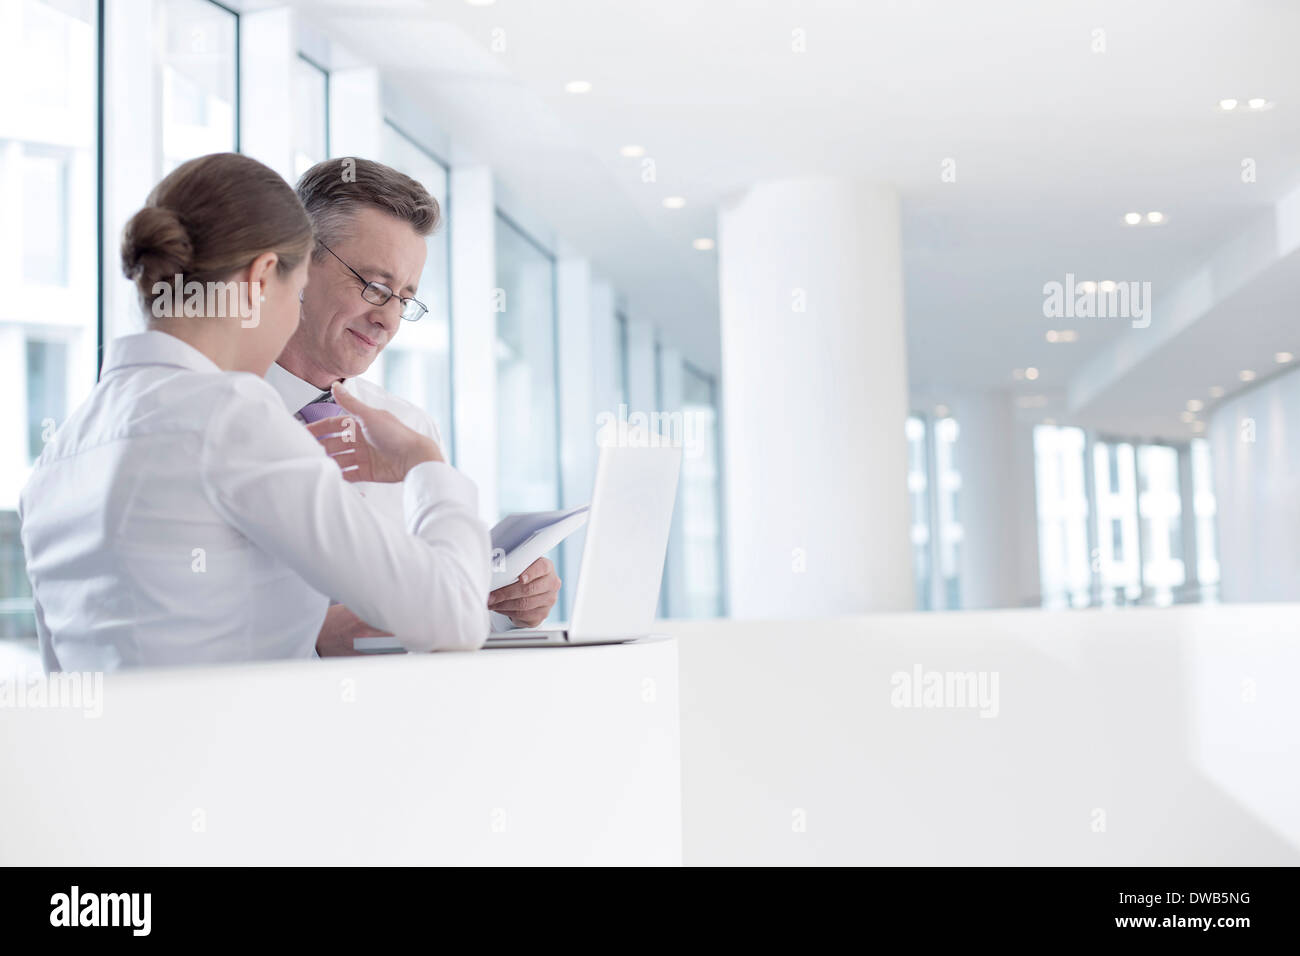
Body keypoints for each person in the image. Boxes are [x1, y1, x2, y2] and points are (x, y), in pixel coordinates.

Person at [18, 153, 490, 671]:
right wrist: (425, 463)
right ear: (263, 277)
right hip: (241, 726)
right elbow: (453, 616)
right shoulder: (231, 416)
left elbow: (60, 673)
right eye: (295, 290)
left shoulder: (59, 455)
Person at [269, 159, 560, 656]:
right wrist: (311, 639)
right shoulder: (214, 416)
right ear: (297, 263)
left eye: (404, 299)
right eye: (374, 287)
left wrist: (506, 604)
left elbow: (440, 610)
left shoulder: (408, 426)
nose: (387, 320)